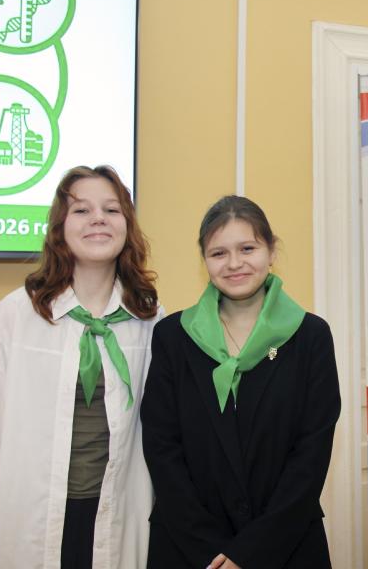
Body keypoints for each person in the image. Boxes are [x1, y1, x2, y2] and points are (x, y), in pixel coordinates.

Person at [0, 165, 162, 568]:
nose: (98, 218)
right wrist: (14, 505)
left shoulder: (150, 318)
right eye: (81, 210)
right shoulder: (15, 316)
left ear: (127, 226)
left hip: (118, 511)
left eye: (111, 209)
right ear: (60, 227)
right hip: (34, 515)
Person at [141, 195, 341, 569]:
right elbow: (161, 447)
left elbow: (311, 454)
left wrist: (249, 553)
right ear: (204, 260)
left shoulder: (310, 336)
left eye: (247, 248)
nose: (234, 263)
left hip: (286, 544)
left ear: (271, 251)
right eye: (219, 253)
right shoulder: (173, 336)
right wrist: (212, 553)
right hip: (189, 547)